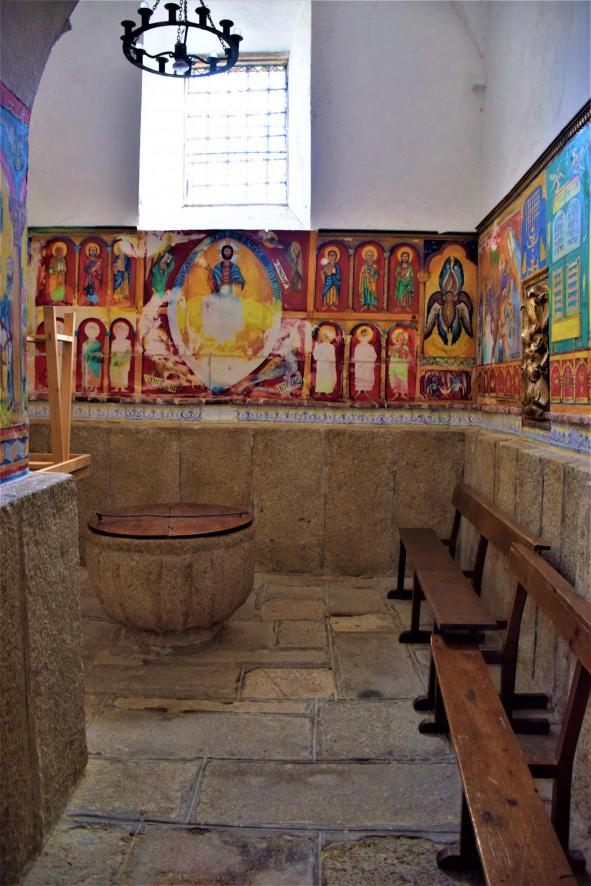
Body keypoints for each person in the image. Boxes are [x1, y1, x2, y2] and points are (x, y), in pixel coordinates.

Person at [313, 325, 338, 394]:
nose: (326, 337)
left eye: (328, 336)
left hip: (328, 365)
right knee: (321, 377)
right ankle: (320, 391)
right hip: (321, 365)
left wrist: (329, 359)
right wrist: (323, 357)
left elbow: (332, 358)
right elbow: (315, 356)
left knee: (328, 377)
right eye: (325, 335)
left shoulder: (331, 346)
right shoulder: (320, 346)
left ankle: (327, 391)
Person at [109, 321, 133, 391]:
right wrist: (116, 355)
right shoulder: (114, 342)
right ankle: (116, 387)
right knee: (115, 372)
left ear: (125, 333)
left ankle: (122, 387)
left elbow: (129, 351)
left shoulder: (128, 342)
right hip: (116, 359)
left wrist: (124, 356)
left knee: (123, 373)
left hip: (125, 359)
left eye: (122, 332)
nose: (120, 334)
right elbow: (113, 351)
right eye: (118, 332)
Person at [352, 326, 377, 392]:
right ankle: (360, 389)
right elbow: (356, 356)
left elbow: (374, 356)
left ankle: (366, 389)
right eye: (363, 335)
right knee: (360, 375)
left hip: (368, 365)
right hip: (360, 365)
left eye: (366, 335)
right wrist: (358, 360)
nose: (365, 337)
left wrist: (369, 360)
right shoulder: (358, 346)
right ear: (361, 336)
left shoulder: (370, 346)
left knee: (367, 376)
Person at [388, 328, 411, 398]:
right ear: (396, 339)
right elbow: (390, 355)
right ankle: (396, 394)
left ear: (403, 340)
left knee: (402, 379)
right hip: (394, 365)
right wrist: (392, 351)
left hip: (402, 366)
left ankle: (402, 394)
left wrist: (401, 351)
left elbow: (406, 357)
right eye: (398, 340)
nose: (399, 341)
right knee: (395, 380)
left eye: (401, 340)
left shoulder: (406, 348)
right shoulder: (393, 347)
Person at [82, 322, 103, 390]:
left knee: (95, 375)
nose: (91, 334)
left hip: (95, 362)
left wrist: (96, 355)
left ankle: (95, 387)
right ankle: (88, 387)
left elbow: (99, 353)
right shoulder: (85, 343)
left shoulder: (97, 343)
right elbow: (84, 353)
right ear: (87, 333)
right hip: (87, 362)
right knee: (88, 374)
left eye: (93, 332)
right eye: (90, 332)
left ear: (96, 333)